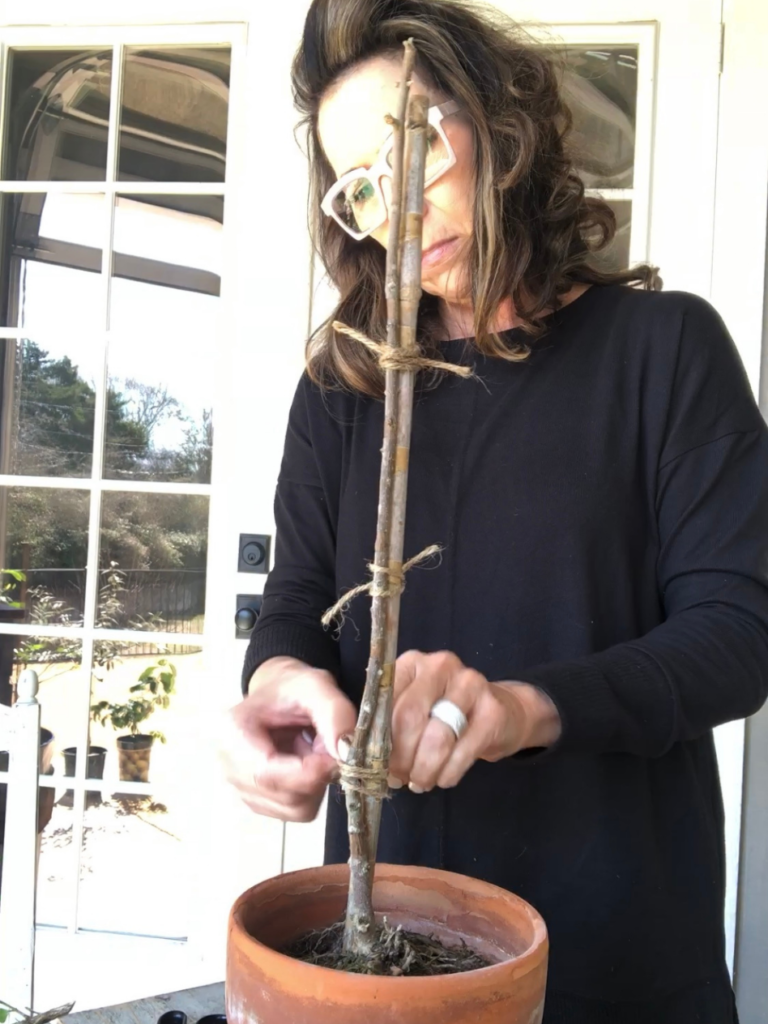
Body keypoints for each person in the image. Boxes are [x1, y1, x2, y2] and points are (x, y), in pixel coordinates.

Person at [220, 1, 768, 1020]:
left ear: (501, 129)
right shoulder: (343, 391)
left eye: (415, 148)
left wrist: (520, 710)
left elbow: (740, 634)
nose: (396, 209)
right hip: (379, 946)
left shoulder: (664, 352)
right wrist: (286, 683)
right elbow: (297, 601)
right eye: (359, 188)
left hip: (619, 945)